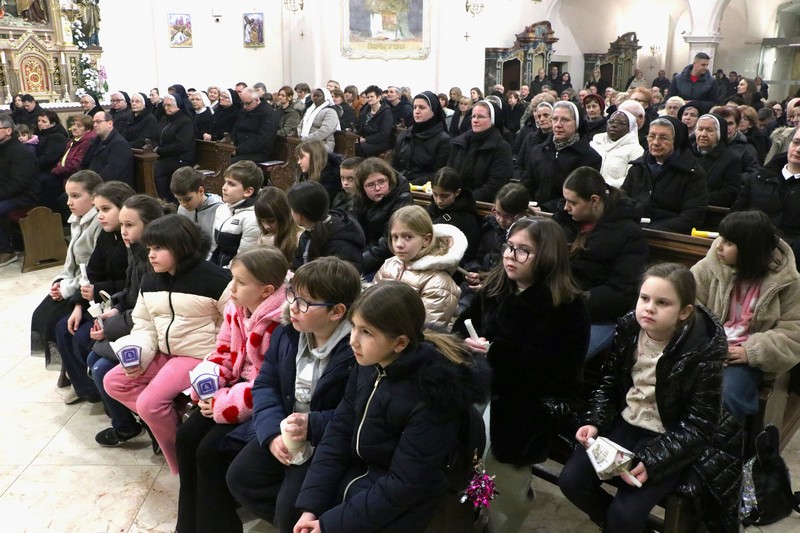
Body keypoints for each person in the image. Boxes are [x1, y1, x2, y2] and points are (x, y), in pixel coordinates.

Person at [293, 281, 488, 533]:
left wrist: (328, 524)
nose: (353, 341)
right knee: (291, 510)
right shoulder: (369, 365)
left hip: (410, 501)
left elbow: (405, 484)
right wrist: (311, 506)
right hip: (365, 476)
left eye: (366, 332)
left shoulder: (433, 397)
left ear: (400, 343)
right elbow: (339, 432)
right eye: (354, 327)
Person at [559, 263, 740, 533]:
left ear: (684, 312)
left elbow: (700, 425)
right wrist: (594, 421)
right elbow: (609, 384)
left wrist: (654, 461)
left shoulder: (702, 349)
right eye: (644, 298)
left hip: (670, 434)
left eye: (662, 303)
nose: (649, 308)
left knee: (625, 514)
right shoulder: (629, 328)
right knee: (572, 481)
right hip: (627, 422)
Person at [455, 217, 590, 532]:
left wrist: (497, 353)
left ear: (547, 256)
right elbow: (462, 326)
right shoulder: (496, 287)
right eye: (509, 246)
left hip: (525, 405)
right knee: (466, 461)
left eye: (522, 250)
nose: (509, 256)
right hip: (480, 389)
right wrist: (466, 343)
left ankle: (499, 523)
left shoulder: (567, 307)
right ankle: (473, 513)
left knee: (505, 485)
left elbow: (561, 375)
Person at [226, 258, 362, 533]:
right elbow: (266, 385)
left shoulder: (356, 351)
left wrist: (312, 425)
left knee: (292, 508)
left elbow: (355, 413)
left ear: (337, 311)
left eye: (305, 303)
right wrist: (272, 435)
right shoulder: (288, 333)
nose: (293, 307)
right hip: (286, 428)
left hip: (325, 441)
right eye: (293, 296)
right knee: (240, 477)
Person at [104, 214, 232, 474]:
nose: (151, 255)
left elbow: (230, 326)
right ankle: (174, 422)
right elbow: (144, 324)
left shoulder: (216, 279)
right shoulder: (151, 279)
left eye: (159, 248)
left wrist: (215, 358)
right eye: (149, 248)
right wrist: (138, 354)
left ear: (181, 247)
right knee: (113, 381)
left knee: (149, 404)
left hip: (198, 356)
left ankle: (181, 465)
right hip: (164, 352)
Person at [175, 247, 289, 533]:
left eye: (240, 282)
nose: (231, 288)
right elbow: (224, 350)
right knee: (186, 436)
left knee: (210, 450)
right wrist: (208, 385)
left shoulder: (281, 323)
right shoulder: (236, 307)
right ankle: (188, 524)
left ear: (267, 291)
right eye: (232, 279)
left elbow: (270, 384)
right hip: (232, 391)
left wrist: (221, 404)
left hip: (261, 400)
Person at [691, 211, 800, 423]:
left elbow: (794, 330)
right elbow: (688, 306)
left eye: (729, 242)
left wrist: (751, 352)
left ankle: (725, 442)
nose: (718, 246)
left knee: (726, 396)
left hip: (746, 358)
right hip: (707, 347)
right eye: (721, 238)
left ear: (749, 248)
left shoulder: (788, 280)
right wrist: (709, 346)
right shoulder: (709, 265)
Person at [91, 195, 171, 445]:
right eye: (122, 225)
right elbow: (131, 293)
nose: (123, 231)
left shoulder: (153, 261)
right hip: (134, 323)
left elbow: (147, 313)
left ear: (150, 226)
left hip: (152, 334)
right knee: (92, 357)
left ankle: (141, 425)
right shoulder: (135, 251)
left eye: (129, 225)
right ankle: (125, 421)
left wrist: (109, 329)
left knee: (100, 367)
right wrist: (115, 307)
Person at [555, 167, 648, 357]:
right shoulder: (564, 222)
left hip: (599, 317)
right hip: (558, 306)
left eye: (573, 202)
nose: (566, 208)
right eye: (565, 201)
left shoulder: (628, 234)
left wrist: (572, 302)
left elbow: (622, 292)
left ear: (594, 201)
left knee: (560, 355)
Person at [56, 181, 135, 403]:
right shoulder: (106, 235)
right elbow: (91, 272)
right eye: (98, 209)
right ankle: (86, 388)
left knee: (83, 337)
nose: (100, 215)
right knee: (63, 327)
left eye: (106, 209)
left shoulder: (131, 239)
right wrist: (78, 305)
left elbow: (131, 283)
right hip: (99, 300)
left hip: (120, 303)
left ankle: (101, 391)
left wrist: (97, 289)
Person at [30, 171, 103, 365]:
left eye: (76, 196)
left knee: (58, 323)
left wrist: (66, 289)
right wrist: (60, 281)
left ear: (94, 197)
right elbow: (70, 263)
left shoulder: (99, 224)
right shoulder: (75, 219)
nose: (69, 202)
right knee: (40, 314)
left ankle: (70, 369)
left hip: (87, 287)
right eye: (68, 196)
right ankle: (64, 366)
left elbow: (93, 270)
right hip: (73, 283)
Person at [375, 205, 466, 329]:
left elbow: (426, 332)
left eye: (408, 237)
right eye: (395, 237)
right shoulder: (390, 264)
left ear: (426, 240)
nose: (399, 244)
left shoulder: (439, 283)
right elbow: (369, 306)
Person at [622, 116, 708, 233]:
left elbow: (692, 216)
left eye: (663, 138)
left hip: (668, 234)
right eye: (651, 136)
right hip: (633, 229)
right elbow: (622, 200)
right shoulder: (638, 167)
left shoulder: (692, 172)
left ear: (676, 140)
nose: (655, 142)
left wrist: (652, 230)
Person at [523, 101, 602, 212]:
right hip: (533, 212)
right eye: (555, 119)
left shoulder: (590, 157)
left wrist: (544, 209)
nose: (558, 124)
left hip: (567, 215)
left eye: (565, 120)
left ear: (577, 123)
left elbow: (579, 196)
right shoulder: (538, 151)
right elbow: (527, 184)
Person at [733, 128, 800, 258]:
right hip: (752, 252)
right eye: (796, 142)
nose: (798, 149)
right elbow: (736, 215)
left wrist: (786, 250)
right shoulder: (759, 178)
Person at [353, 157, 414, 275]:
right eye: (370, 185)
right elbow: (355, 230)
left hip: (391, 258)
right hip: (367, 252)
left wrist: (358, 263)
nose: (377, 188)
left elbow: (388, 244)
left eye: (382, 181)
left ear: (389, 181)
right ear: (362, 188)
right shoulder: (360, 198)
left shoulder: (403, 199)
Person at [287, 181, 365, 272]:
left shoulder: (342, 241)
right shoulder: (307, 235)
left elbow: (342, 277)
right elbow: (297, 266)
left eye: (292, 209)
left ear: (300, 216)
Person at [447, 100, 512, 202]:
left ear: (493, 120)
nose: (475, 120)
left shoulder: (501, 148)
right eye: (473, 116)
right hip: (453, 200)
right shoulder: (460, 143)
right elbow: (448, 173)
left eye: (480, 117)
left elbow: (495, 185)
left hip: (481, 204)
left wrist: (464, 200)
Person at [0, 114, 38, 267]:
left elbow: (18, 184)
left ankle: (6, 251)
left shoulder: (21, 152)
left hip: (24, 196)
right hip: (7, 193)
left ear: (8, 131)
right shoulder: (3, 148)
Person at [210, 160, 263, 267]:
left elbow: (244, 260)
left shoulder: (253, 218)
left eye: (231, 184)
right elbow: (214, 248)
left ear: (248, 191)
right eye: (225, 182)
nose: (224, 187)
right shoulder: (222, 209)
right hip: (218, 267)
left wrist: (219, 272)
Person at [392, 91, 451, 185]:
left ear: (433, 110)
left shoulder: (443, 140)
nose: (416, 111)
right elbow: (394, 164)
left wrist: (410, 184)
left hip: (424, 188)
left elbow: (438, 174)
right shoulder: (405, 135)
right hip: (399, 184)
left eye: (422, 107)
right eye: (414, 107)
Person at [426, 167, 480, 262]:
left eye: (445, 196)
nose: (439, 201)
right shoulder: (429, 210)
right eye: (435, 194)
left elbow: (467, 255)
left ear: (457, 192)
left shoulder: (467, 220)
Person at [152, 94, 196, 201]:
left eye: (169, 105)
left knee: (156, 168)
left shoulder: (185, 122)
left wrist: (160, 150)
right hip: (166, 156)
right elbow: (156, 135)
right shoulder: (166, 119)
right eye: (165, 105)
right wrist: (155, 146)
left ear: (178, 106)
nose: (166, 108)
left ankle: (165, 200)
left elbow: (182, 145)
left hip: (181, 158)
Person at [691, 113, 741, 207]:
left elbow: (730, 193)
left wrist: (698, 199)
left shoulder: (731, 159)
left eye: (709, 130)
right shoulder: (686, 154)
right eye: (700, 129)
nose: (703, 134)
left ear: (719, 133)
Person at [170, 166, 223, 247]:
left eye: (187, 199)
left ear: (201, 191)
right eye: (179, 199)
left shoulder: (218, 208)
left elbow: (216, 243)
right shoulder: (182, 209)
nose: (183, 204)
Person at [590, 110, 644, 188]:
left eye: (621, 123)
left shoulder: (636, 150)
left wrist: (604, 185)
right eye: (611, 122)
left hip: (615, 192)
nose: (614, 125)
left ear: (629, 128)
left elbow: (631, 179)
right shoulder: (595, 142)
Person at [81, 110, 135, 186]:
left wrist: (89, 184)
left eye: (98, 121)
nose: (95, 125)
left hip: (112, 187)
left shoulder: (119, 144)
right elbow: (85, 163)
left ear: (109, 123)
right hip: (95, 183)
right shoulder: (96, 141)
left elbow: (111, 173)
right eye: (94, 122)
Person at [254, 186, 302, 264]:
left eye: (271, 221)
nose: (266, 226)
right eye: (262, 221)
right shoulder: (264, 237)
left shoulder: (299, 239)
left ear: (284, 217)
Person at [231, 87, 278, 163]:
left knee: (229, 162)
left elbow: (262, 139)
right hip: (239, 148)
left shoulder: (267, 113)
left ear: (256, 100)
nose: (244, 106)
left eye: (247, 104)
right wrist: (231, 143)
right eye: (243, 103)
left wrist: (238, 150)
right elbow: (236, 128)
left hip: (258, 152)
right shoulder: (245, 110)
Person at [355, 85, 394, 157]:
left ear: (379, 97)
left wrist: (366, 139)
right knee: (350, 143)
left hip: (380, 142)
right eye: (368, 97)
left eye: (372, 97)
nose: (369, 99)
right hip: (365, 138)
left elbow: (384, 134)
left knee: (357, 147)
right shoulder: (365, 110)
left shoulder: (386, 112)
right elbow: (360, 125)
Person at [298, 87, 339, 153]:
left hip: (323, 144)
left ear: (325, 97)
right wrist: (299, 136)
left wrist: (305, 139)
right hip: (305, 141)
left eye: (318, 96)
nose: (315, 98)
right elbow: (300, 125)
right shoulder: (310, 110)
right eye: (314, 96)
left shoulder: (330, 111)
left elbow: (324, 131)